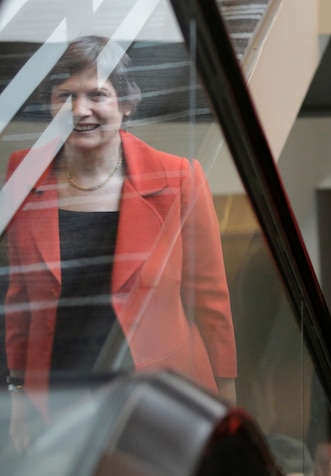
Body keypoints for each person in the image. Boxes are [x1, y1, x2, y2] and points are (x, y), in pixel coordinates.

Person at [4, 35, 237, 450]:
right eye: (66, 96)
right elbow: (21, 296)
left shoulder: (180, 178)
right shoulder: (23, 175)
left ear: (126, 104)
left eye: (98, 95)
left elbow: (210, 298)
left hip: (160, 394)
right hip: (60, 395)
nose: (80, 110)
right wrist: (19, 392)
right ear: (49, 105)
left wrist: (227, 398)